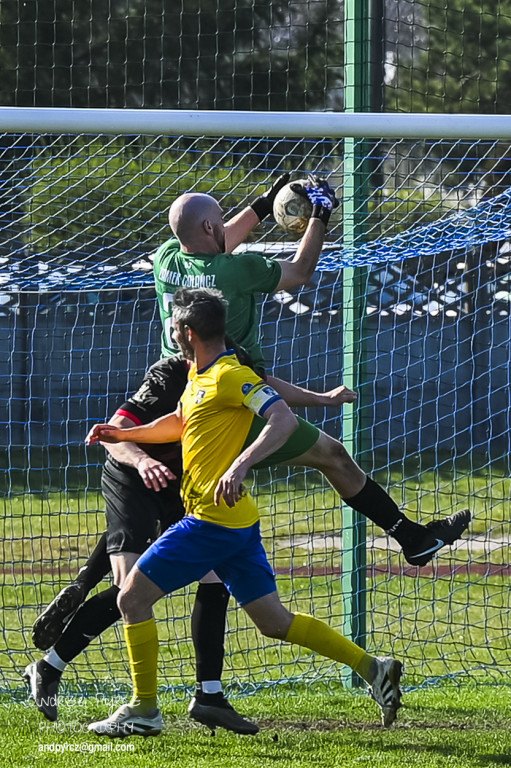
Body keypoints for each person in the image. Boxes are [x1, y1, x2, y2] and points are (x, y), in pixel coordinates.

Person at [84, 287, 404, 738]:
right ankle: (374, 668)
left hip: (211, 521)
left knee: (131, 598)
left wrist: (240, 463)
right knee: (274, 622)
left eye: (174, 327)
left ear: (188, 331)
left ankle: (144, 709)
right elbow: (178, 422)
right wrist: (121, 437)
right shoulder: (199, 373)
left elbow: (284, 420)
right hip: (235, 523)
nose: (172, 332)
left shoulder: (231, 375)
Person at [27, 346, 357, 733]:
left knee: (214, 577)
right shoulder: (170, 376)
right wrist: (144, 459)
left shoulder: (230, 373)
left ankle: (209, 696)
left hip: (181, 488)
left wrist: (322, 398)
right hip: (132, 478)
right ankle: (51, 667)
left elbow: (268, 388)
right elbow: (115, 435)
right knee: (128, 587)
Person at [152, 174, 471, 566]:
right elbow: (301, 271)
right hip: (230, 409)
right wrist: (320, 216)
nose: (225, 223)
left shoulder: (166, 257)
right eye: (221, 217)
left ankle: (413, 538)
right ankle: (410, 538)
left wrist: (264, 205)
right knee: (331, 458)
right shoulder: (236, 272)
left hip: (183, 396)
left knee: (156, 534)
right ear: (207, 227)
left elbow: (213, 243)